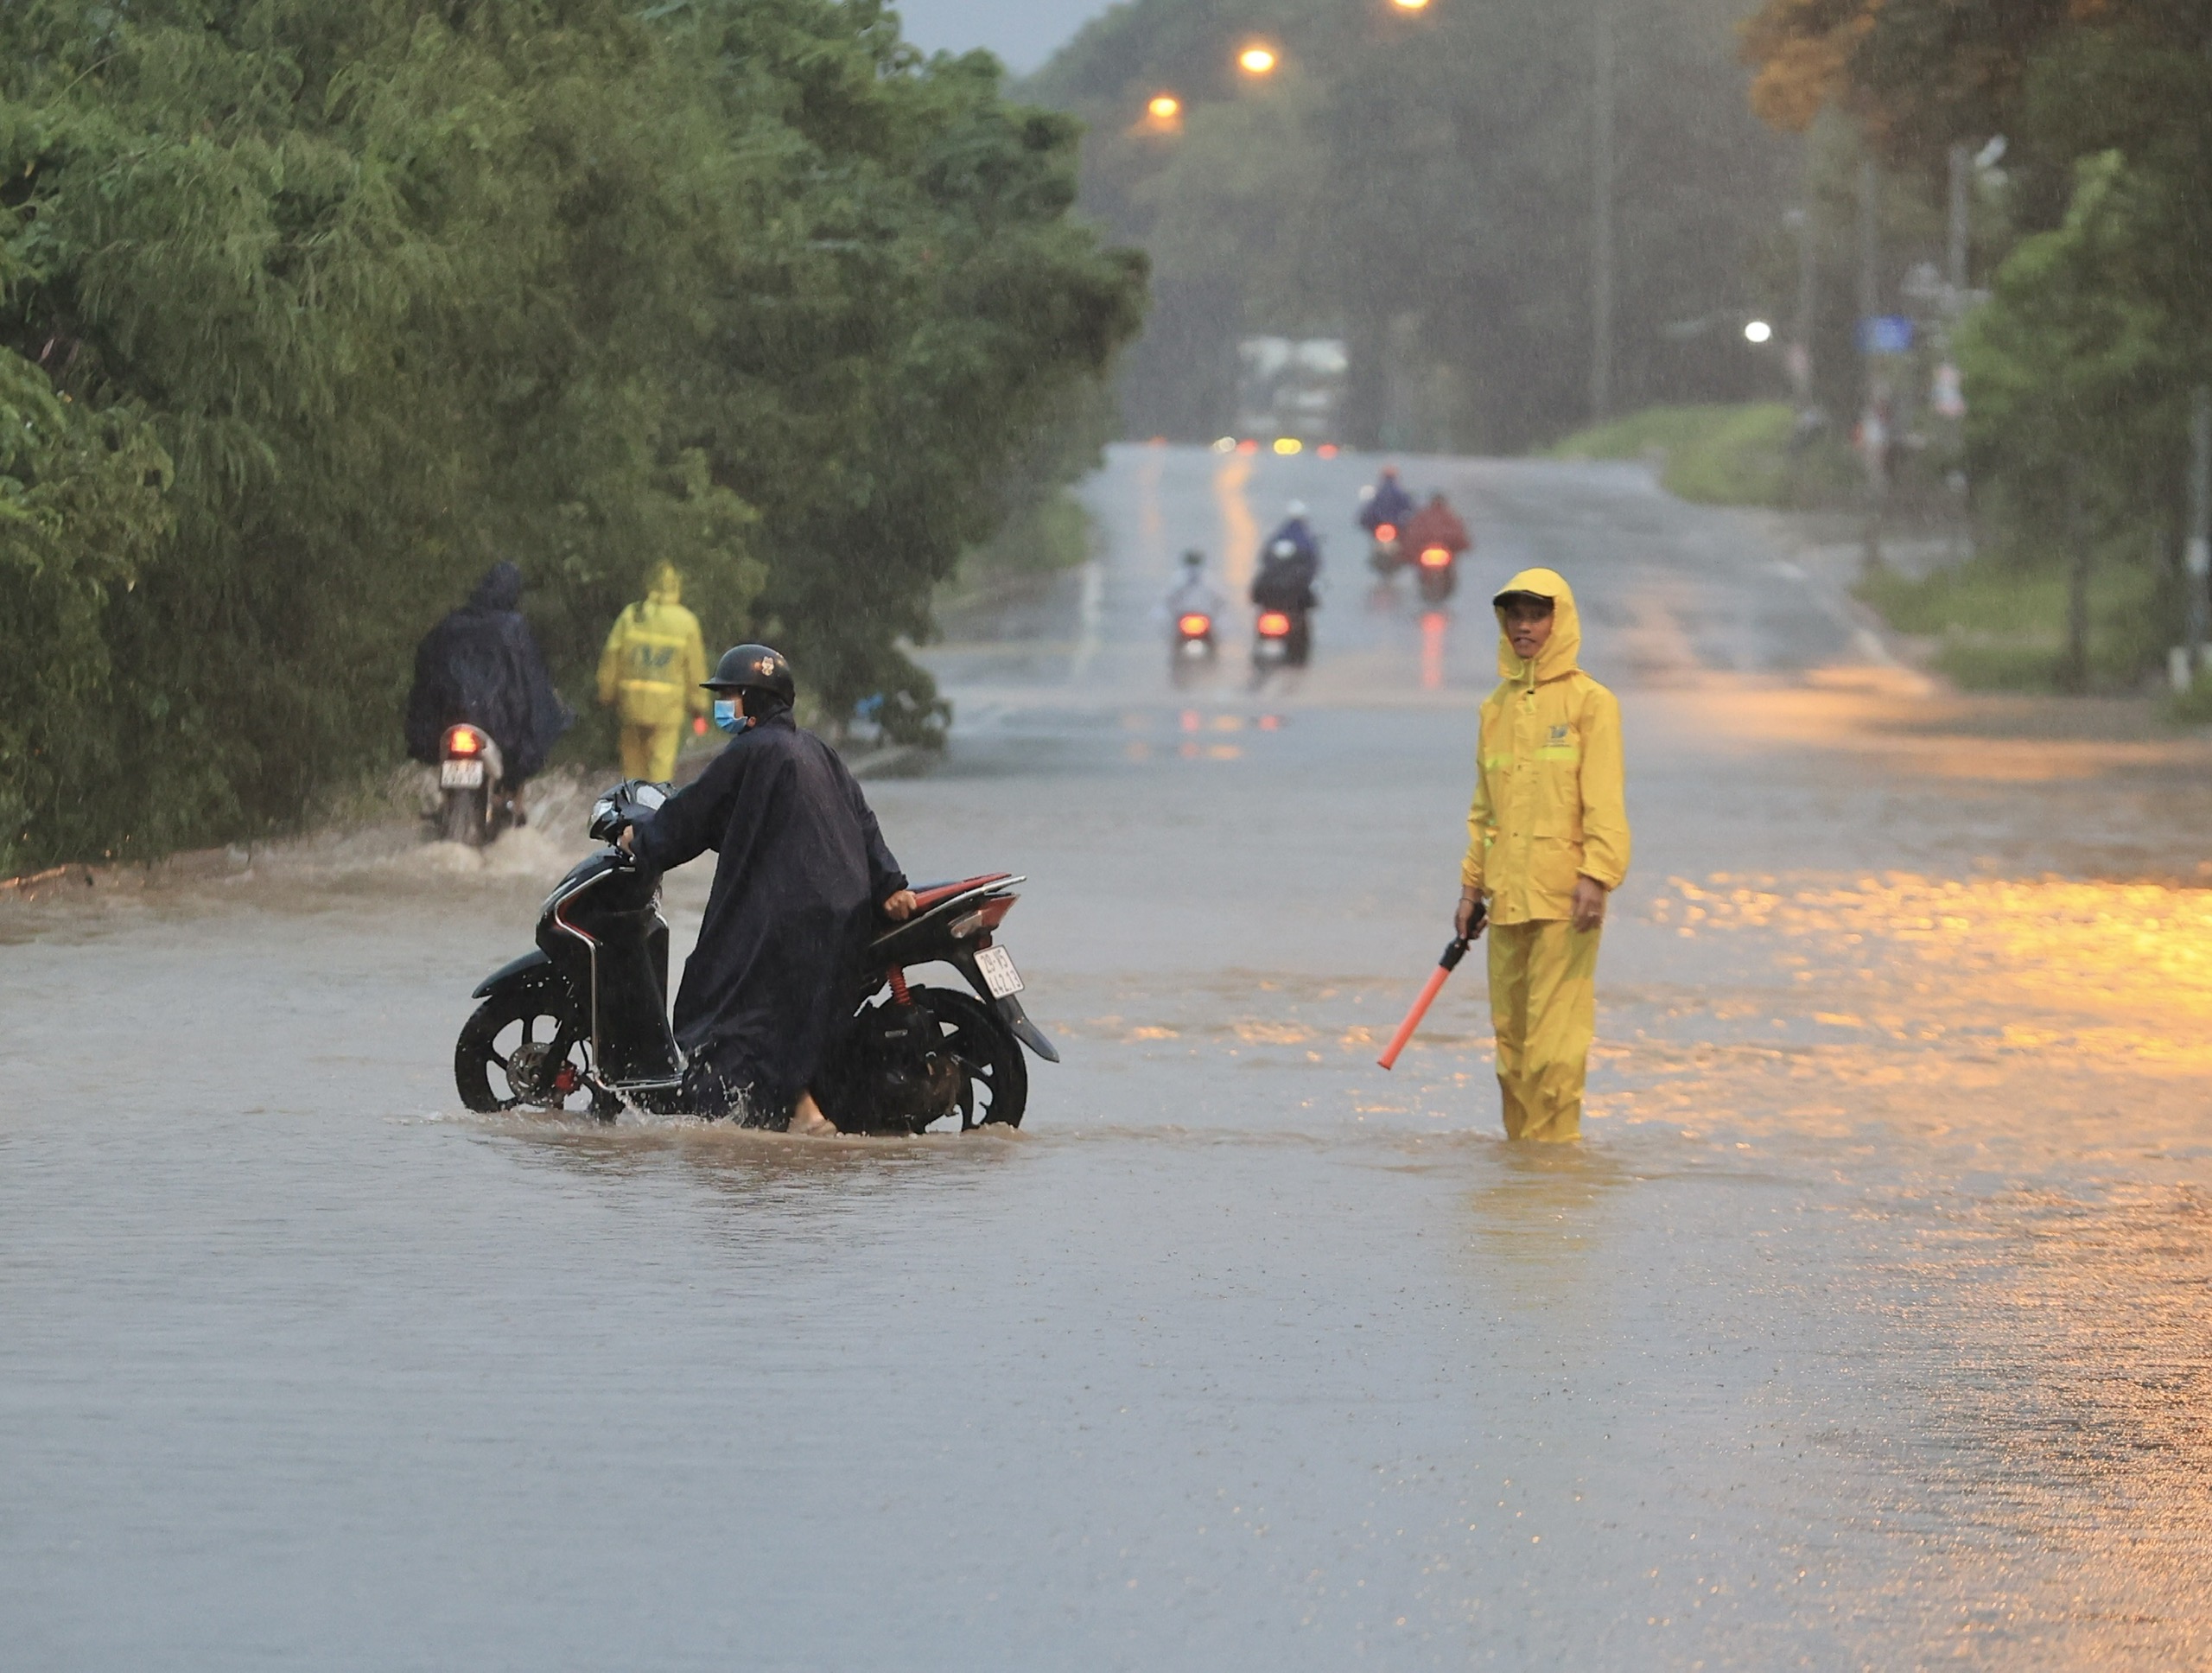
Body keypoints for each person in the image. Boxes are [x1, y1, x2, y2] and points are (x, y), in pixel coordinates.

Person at [618, 644, 918, 1129]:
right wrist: (889, 882)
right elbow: (863, 819)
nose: (723, 705)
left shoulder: (750, 752)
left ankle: (791, 1116)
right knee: (782, 1014)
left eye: (730, 695)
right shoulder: (816, 749)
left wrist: (642, 838)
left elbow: (691, 816)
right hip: (844, 912)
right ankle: (802, 1108)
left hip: (786, 917)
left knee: (718, 1004)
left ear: (753, 702)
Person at [1453, 569, 1630, 1142]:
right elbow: (1486, 811)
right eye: (1514, 616)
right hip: (1505, 899)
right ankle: (1521, 1172)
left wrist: (1597, 875)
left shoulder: (1591, 704)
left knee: (1554, 1049)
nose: (1524, 626)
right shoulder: (1495, 709)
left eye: (1536, 615)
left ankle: (1554, 1178)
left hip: (1564, 900)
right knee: (1513, 1045)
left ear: (1560, 622)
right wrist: (1470, 889)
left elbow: (1603, 799)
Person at [404, 561, 571, 816]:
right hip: (499, 728)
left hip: (451, 720)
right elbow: (531, 682)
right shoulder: (514, 628)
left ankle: (449, 805)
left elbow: (425, 677)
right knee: (520, 754)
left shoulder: (449, 625)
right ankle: (512, 802)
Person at [595, 563, 709, 783]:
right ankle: (655, 812)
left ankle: (633, 812)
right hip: (667, 712)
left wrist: (606, 693)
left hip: (631, 707)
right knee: (660, 768)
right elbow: (695, 670)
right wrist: (698, 709)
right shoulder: (686, 622)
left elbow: (612, 656)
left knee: (632, 769)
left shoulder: (631, 615)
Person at [1403, 491, 1471, 565]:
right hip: (1432, 552)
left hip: (1439, 553)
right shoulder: (1449, 516)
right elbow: (1459, 532)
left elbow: (1414, 532)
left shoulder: (1424, 515)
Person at [1164, 548, 1224, 622]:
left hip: (1204, 617)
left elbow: (1220, 598)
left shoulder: (1208, 579)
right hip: (1184, 618)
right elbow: (1168, 597)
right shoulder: (1179, 578)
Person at [1357, 466, 1415, 535]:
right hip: (1394, 527)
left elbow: (1366, 514)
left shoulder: (1377, 494)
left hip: (1382, 527)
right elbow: (1411, 508)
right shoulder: (1400, 493)